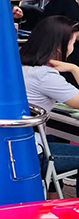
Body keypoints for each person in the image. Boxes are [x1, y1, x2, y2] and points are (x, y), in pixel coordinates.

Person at [20, 15, 79, 187]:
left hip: (14, 147)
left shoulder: (18, 67)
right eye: (73, 42)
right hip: (32, 153)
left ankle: (53, 202)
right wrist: (75, 69)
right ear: (59, 44)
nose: (73, 48)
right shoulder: (45, 76)